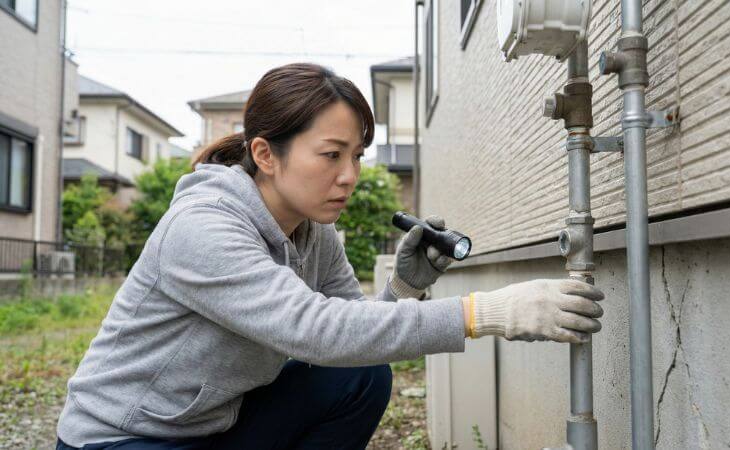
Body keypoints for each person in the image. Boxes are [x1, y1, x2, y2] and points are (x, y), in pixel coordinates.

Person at [55, 63, 604, 450]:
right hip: (124, 437)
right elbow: (316, 331)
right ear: (266, 155)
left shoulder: (315, 235)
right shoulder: (203, 227)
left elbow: (352, 339)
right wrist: (489, 312)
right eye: (331, 155)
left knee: (363, 378)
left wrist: (403, 293)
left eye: (357, 157)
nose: (349, 177)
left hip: (212, 429)